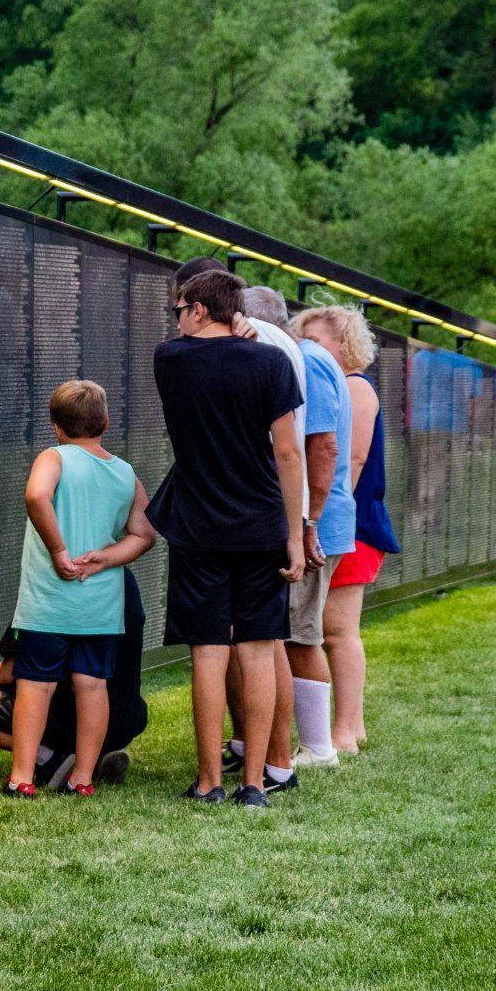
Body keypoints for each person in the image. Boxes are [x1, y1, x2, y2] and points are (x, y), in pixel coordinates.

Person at [149, 266, 305, 808]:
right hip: (262, 523)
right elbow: (288, 452)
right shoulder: (270, 361)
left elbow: (191, 354)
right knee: (259, 651)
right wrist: (294, 533)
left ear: (196, 309)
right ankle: (256, 784)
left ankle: (209, 781)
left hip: (196, 526)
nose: (175, 321)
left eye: (178, 310)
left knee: (209, 656)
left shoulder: (168, 361)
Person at [0, 380, 153, 797]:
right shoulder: (124, 472)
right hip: (101, 605)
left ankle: (22, 778)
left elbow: (36, 495)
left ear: (56, 426)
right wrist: (106, 558)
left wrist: (58, 550)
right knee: (92, 686)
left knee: (36, 685)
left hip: (47, 603)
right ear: (105, 422)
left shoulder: (54, 457)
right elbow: (144, 533)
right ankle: (82, 778)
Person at [218, 283, 313, 788]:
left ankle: (276, 762)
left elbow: (292, 448)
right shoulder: (284, 346)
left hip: (259, 506)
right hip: (273, 506)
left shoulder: (263, 347)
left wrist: (299, 527)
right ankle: (260, 754)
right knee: (258, 637)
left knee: (262, 639)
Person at [0, 567, 152, 782]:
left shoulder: (52, 579)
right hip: (126, 720)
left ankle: (51, 758)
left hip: (67, 719)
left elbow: (10, 672)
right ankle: (97, 754)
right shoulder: (124, 578)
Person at [293, 305, 397, 753]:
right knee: (332, 631)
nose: (309, 349)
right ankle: (348, 728)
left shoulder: (354, 387)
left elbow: (349, 460)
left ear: (345, 342)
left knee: (337, 631)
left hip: (350, 525)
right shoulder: (342, 385)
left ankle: (345, 730)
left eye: (317, 340)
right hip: (347, 523)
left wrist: (328, 517)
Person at [273, 300, 352, 780]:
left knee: (301, 634)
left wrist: (310, 523)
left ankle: (319, 746)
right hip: (313, 518)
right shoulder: (308, 358)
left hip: (316, 521)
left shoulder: (307, 361)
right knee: (291, 633)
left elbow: (322, 445)